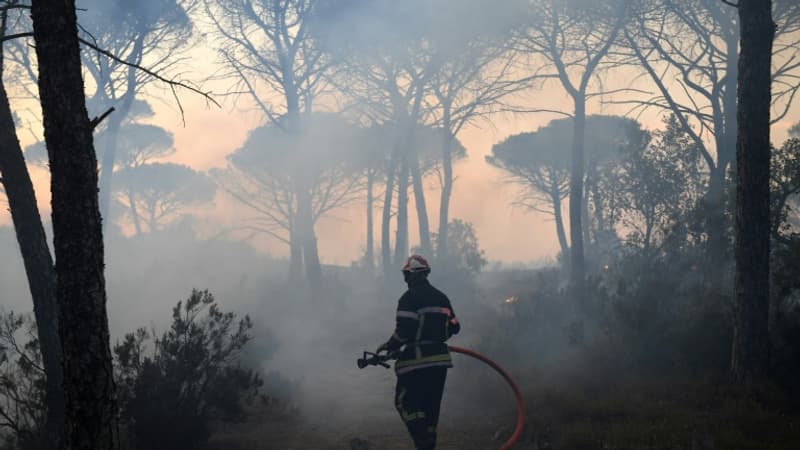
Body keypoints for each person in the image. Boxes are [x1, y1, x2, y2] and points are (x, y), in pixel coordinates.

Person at [376, 255, 460, 450]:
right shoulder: (442, 297)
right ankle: (427, 444)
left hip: (416, 363)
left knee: (405, 402)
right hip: (440, 363)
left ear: (413, 275)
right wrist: (437, 337)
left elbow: (404, 330)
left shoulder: (408, 298)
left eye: (406, 275)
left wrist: (389, 346)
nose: (405, 279)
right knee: (430, 409)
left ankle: (422, 440)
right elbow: (455, 327)